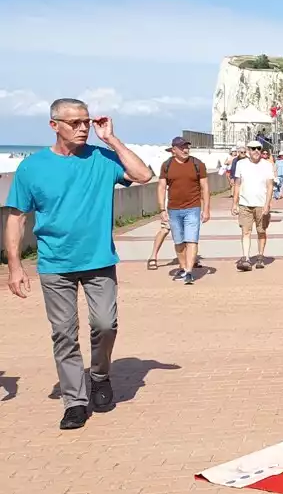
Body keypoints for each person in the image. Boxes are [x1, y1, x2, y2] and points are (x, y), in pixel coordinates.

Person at [2, 99, 153, 429]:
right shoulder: (32, 167)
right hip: (55, 263)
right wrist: (15, 265)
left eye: (87, 121)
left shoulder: (102, 158)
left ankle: (99, 377)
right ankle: (75, 401)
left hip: (99, 260)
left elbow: (144, 175)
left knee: (105, 324)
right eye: (75, 123)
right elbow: (16, 218)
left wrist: (111, 139)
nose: (83, 128)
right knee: (64, 335)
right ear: (54, 125)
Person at [157, 137, 210, 285]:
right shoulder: (166, 165)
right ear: (174, 150)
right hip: (173, 209)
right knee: (179, 241)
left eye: (187, 147)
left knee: (191, 239)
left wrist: (206, 209)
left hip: (193, 208)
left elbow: (205, 187)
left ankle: (188, 271)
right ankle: (183, 267)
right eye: (182, 147)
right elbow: (161, 187)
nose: (185, 150)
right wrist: (161, 209)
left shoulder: (197, 164)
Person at [232, 140, 275, 271]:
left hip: (261, 204)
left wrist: (267, 204)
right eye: (253, 149)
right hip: (245, 203)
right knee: (246, 231)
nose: (256, 151)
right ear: (248, 151)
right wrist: (235, 203)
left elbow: (270, 186)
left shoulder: (267, 165)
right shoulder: (241, 164)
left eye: (258, 149)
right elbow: (237, 184)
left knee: (261, 231)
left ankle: (260, 256)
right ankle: (245, 257)